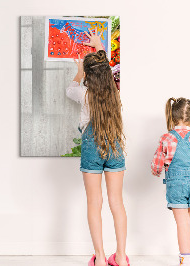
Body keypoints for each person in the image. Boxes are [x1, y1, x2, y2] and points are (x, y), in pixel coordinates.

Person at [66, 28, 129, 266]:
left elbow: (69, 89)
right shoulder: (114, 92)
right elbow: (108, 70)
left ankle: (101, 258)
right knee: (117, 202)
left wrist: (79, 71)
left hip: (92, 148)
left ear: (89, 77)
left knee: (95, 203)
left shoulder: (84, 94)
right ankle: (121, 257)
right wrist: (100, 46)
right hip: (114, 146)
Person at [151, 98, 190, 266]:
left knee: (182, 224)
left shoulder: (166, 138)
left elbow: (156, 164)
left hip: (176, 186)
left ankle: (185, 261)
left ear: (172, 117)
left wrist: (156, 171)